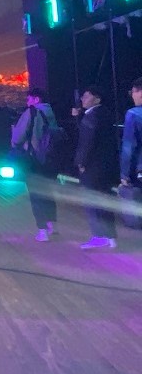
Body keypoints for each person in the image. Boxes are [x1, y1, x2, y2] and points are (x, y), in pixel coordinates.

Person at [10, 88, 63, 241]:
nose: (27, 102)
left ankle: (42, 230)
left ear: (36, 99)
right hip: (51, 159)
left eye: (29, 99)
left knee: (35, 193)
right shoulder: (51, 112)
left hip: (35, 158)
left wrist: (14, 136)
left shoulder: (32, 112)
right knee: (48, 192)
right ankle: (53, 225)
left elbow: (18, 137)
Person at [72, 86, 119, 249]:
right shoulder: (105, 114)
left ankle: (99, 236)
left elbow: (86, 141)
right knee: (104, 199)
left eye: (87, 96)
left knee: (92, 200)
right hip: (106, 165)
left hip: (92, 166)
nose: (83, 99)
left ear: (97, 99)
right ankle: (110, 236)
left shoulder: (91, 116)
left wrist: (81, 163)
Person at [120, 77, 142, 189]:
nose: (132, 96)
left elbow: (128, 147)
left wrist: (125, 174)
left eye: (133, 92)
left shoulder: (133, 114)